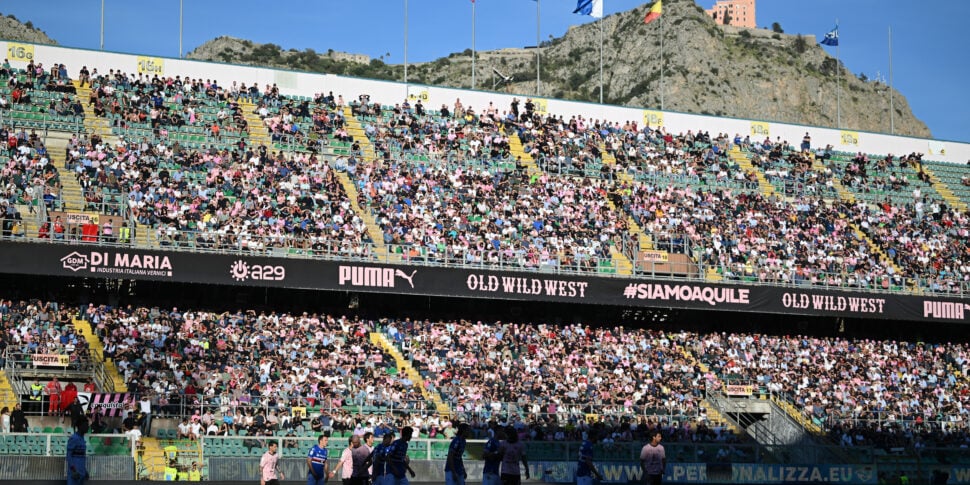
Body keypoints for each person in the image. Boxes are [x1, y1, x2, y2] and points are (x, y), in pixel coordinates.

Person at [67, 418, 89, 485]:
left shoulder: (82, 439)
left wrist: (84, 470)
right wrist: (73, 470)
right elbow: (69, 455)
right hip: (75, 473)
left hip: (81, 472)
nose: (87, 427)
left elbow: (82, 457)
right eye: (86, 425)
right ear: (80, 426)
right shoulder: (74, 438)